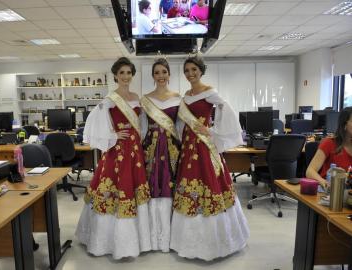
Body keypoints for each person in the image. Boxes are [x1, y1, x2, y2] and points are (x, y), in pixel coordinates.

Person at [170, 56, 249, 261]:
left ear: (201, 70)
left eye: (194, 69)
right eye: (187, 70)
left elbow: (226, 109)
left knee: (211, 183)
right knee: (189, 186)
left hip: (205, 147)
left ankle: (216, 243)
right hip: (188, 147)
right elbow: (181, 123)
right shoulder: (186, 95)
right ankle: (187, 243)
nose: (190, 74)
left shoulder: (209, 91)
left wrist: (213, 130)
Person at [75, 57, 151, 259]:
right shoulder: (110, 98)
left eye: (129, 73)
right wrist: (113, 135)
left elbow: (142, 124)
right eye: (122, 73)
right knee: (115, 189)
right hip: (116, 152)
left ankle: (137, 241)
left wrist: (137, 138)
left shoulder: (137, 97)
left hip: (134, 152)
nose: (125, 76)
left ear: (132, 75)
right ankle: (108, 242)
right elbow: (95, 121)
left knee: (132, 188)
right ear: (116, 76)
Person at [141, 58, 181, 252]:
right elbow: (140, 127)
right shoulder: (145, 99)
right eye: (157, 72)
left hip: (172, 148)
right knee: (152, 185)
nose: (161, 76)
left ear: (169, 74)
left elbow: (181, 126)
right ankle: (153, 237)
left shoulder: (178, 98)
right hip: (151, 148)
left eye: (164, 72)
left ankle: (170, 238)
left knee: (170, 184)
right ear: (153, 76)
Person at [306, 107, 352, 187]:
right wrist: (324, 182)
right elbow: (310, 171)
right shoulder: (329, 143)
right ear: (344, 124)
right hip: (329, 193)